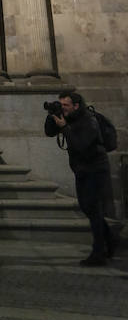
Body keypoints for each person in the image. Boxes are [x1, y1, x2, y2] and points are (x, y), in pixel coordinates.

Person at [45, 91, 115, 266]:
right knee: (88, 208)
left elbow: (81, 146)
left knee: (93, 208)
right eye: (60, 105)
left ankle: (98, 253)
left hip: (96, 168)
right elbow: (49, 132)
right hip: (82, 169)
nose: (63, 108)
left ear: (76, 105)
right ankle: (109, 240)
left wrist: (65, 127)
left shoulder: (88, 120)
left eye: (65, 106)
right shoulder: (69, 118)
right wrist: (51, 115)